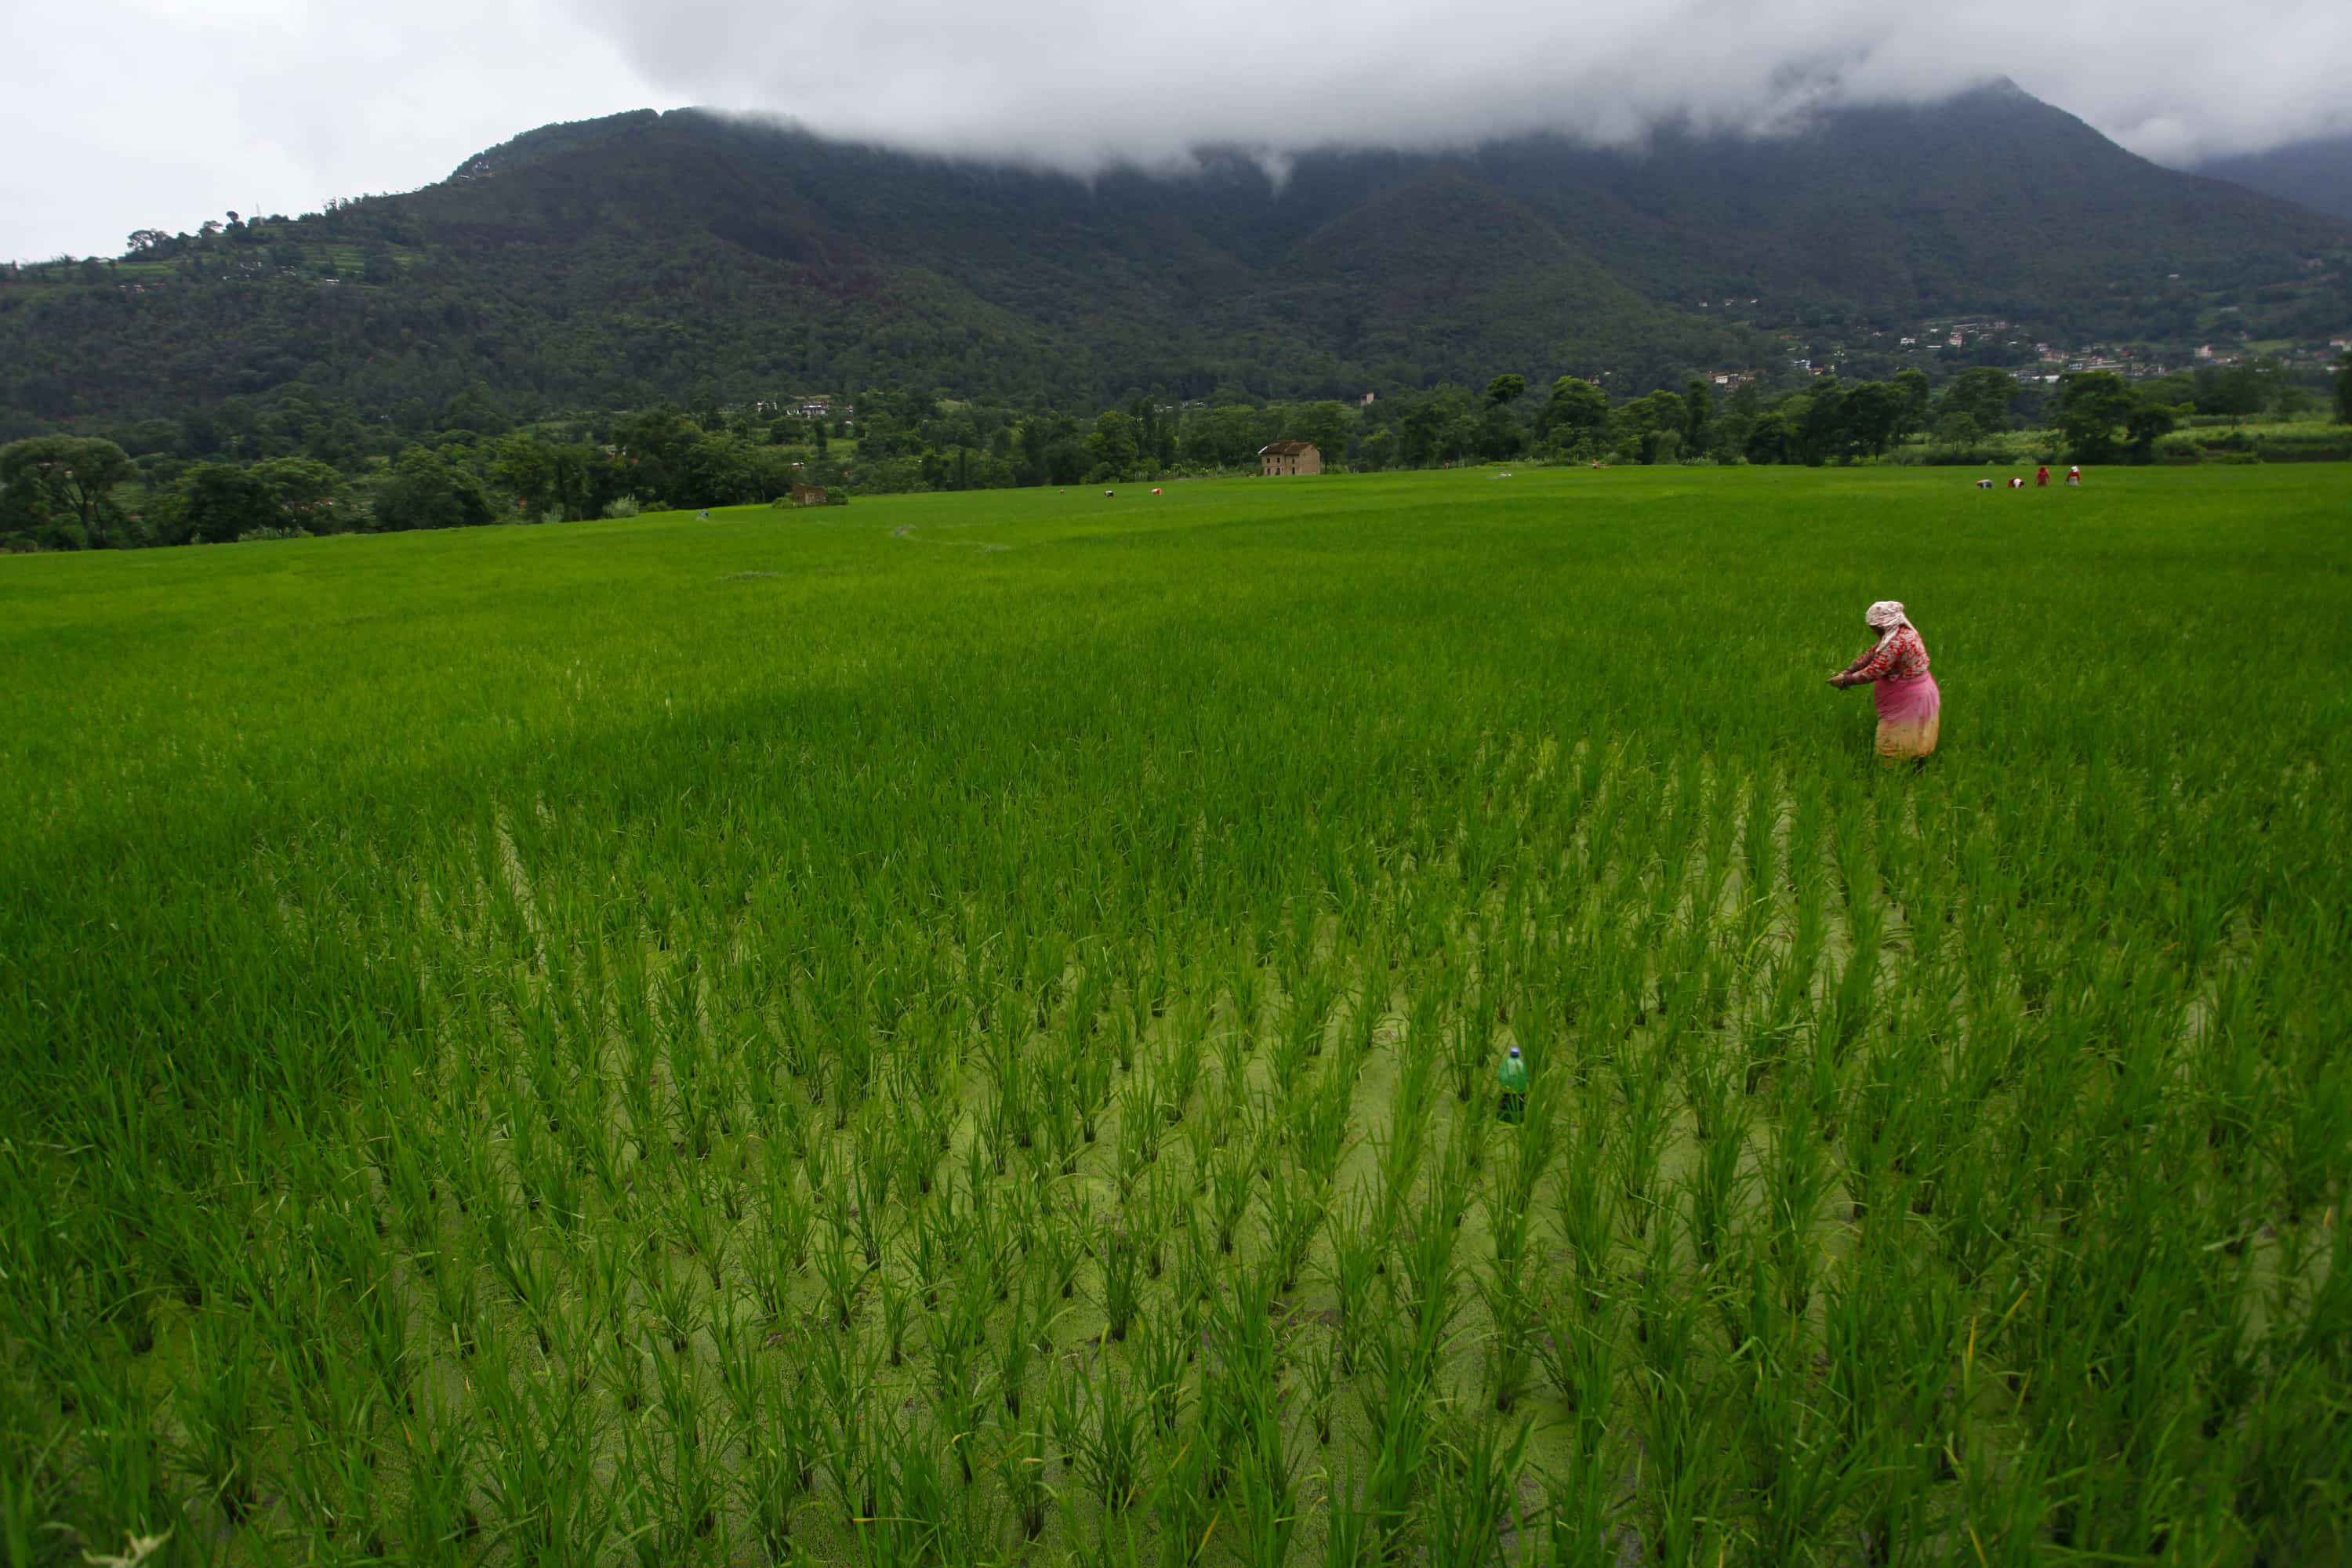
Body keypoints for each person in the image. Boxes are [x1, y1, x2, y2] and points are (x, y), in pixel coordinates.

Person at [1830, 601, 1941, 765]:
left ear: (1883, 625)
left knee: (1896, 737)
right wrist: (1848, 670)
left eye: (1874, 627)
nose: (1872, 630)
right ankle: (1914, 766)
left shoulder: (1897, 642)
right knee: (1913, 734)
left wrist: (1845, 680)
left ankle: (1892, 773)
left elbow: (1874, 671)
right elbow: (1872, 654)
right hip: (1917, 689)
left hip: (1910, 694)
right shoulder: (1899, 633)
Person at [1497, 1046, 1528, 1123]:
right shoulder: (1521, 1064)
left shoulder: (1506, 1063)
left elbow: (1501, 1077)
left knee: (1505, 1105)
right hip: (1518, 1093)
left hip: (1508, 1092)